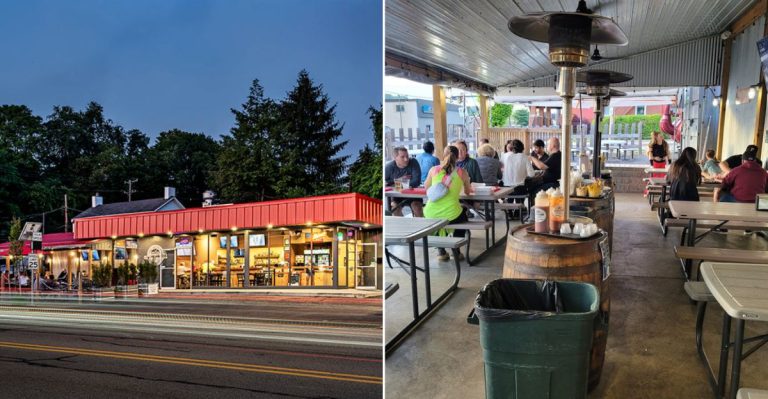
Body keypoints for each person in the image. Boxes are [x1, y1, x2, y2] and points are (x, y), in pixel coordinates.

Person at [424, 146, 471, 261]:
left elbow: (426, 187)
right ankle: (456, 250)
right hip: (452, 214)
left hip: (431, 213)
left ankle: (441, 251)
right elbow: (468, 192)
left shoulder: (433, 170)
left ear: (443, 155)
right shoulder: (462, 172)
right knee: (463, 215)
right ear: (457, 157)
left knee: (437, 221)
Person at [385, 147, 424, 217]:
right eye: (402, 157)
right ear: (395, 158)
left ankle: (422, 226)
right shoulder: (389, 167)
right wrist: (400, 180)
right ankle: (403, 225)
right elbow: (385, 183)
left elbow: (416, 181)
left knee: (417, 207)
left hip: (413, 195)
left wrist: (395, 183)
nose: (406, 159)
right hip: (397, 196)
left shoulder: (413, 162)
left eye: (407, 156)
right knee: (394, 208)